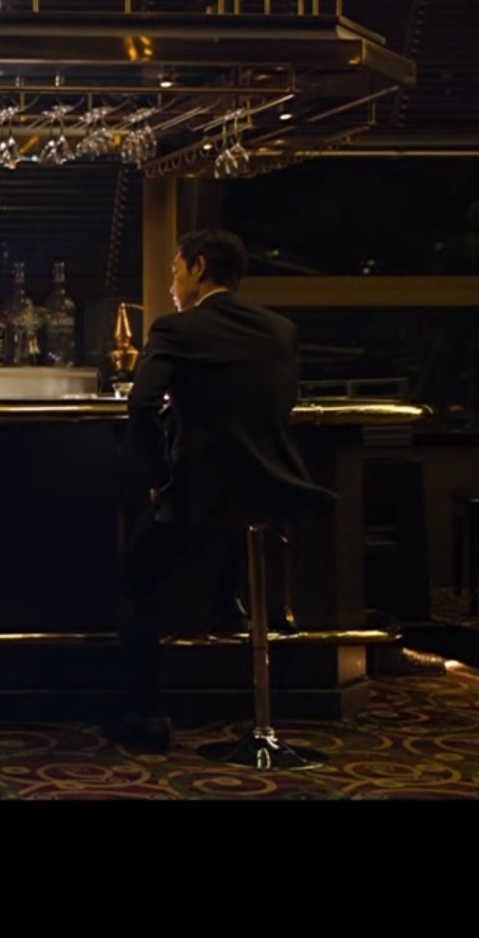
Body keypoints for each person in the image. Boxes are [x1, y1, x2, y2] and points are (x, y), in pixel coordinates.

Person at [113, 228, 333, 752]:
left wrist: (159, 478)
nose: (171, 285)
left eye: (175, 271)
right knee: (231, 551)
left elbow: (141, 404)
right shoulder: (281, 330)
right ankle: (235, 630)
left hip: (201, 494)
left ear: (199, 268)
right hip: (274, 492)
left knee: (135, 584)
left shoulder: (177, 329)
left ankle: (147, 719)